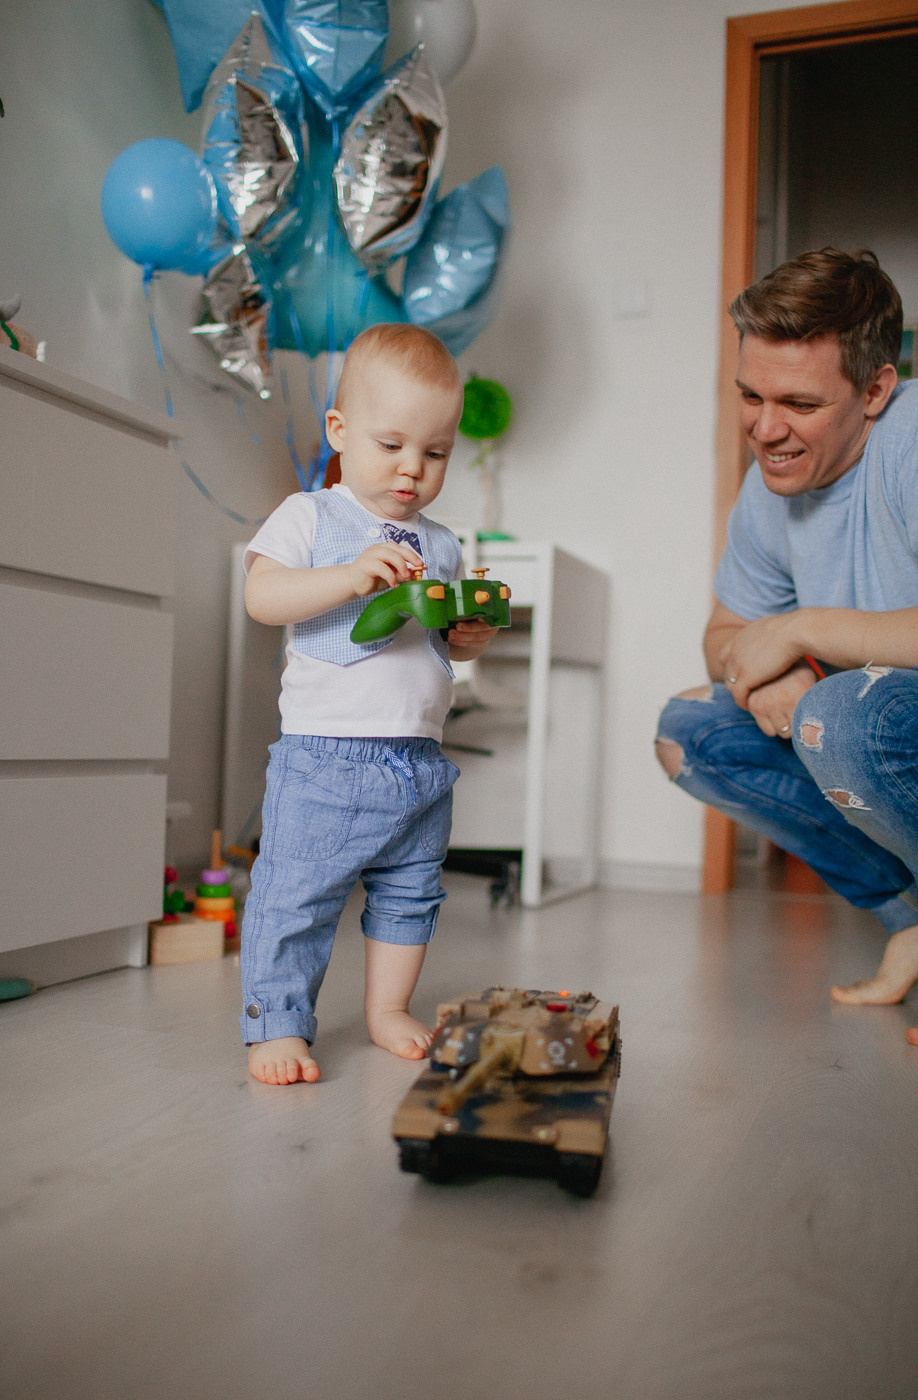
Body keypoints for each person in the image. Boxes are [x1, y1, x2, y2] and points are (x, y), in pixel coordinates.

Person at [655, 248, 918, 1047]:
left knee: (838, 717)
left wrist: (802, 633)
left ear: (876, 390)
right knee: (690, 734)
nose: (766, 429)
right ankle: (911, 921)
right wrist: (767, 677)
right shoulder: (775, 480)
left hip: (876, 717)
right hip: (859, 713)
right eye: (749, 395)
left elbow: (778, 633)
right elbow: (722, 639)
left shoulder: (910, 440)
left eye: (799, 402)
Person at [240, 323, 499, 1085]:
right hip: (325, 759)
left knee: (410, 893)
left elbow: (437, 646)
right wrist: (350, 577)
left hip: (418, 760)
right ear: (340, 431)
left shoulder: (442, 545)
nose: (413, 470)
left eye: (436, 452)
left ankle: (387, 1009)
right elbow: (263, 596)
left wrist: (465, 637)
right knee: (297, 896)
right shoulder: (311, 516)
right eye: (391, 445)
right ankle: (277, 1025)